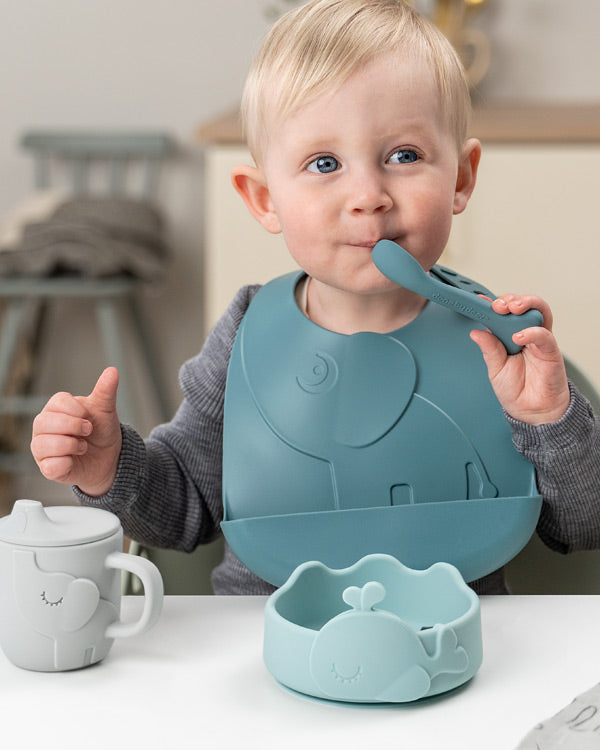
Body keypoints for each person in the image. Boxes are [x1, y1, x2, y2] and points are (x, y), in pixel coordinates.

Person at [30, 0, 599, 595]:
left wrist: (550, 421)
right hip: (265, 647)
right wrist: (108, 468)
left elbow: (585, 528)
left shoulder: (496, 343)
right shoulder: (246, 336)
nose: (367, 195)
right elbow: (183, 513)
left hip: (461, 653)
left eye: (403, 156)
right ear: (264, 199)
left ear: (460, 177)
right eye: (324, 163)